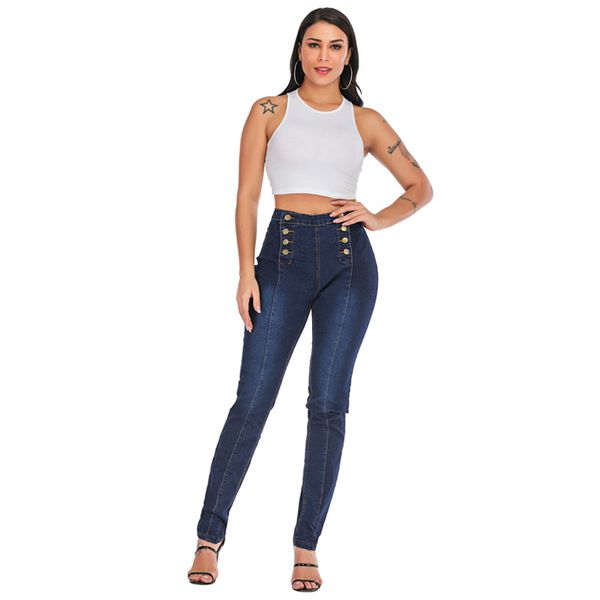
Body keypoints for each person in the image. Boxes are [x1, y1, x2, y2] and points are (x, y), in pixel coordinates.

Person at [187, 7, 433, 592]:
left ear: (349, 56)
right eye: (314, 44)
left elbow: (420, 186)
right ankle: (208, 538)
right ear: (299, 50)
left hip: (349, 264)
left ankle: (306, 546)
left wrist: (377, 217)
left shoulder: (365, 120)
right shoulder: (268, 111)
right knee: (252, 399)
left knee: (327, 404)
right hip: (281, 257)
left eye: (336, 46)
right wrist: (245, 273)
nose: (324, 56)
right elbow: (247, 197)